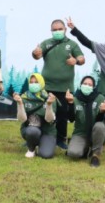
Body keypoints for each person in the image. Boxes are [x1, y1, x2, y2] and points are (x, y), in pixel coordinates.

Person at [32, 19, 85, 149]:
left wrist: (76, 61)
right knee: (43, 113)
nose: (57, 32)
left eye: (59, 29)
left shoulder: (72, 44)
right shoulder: (46, 43)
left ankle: (60, 140)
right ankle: (39, 137)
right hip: (46, 87)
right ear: (51, 31)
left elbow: (82, 59)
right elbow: (36, 55)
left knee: (62, 114)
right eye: (54, 30)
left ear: (65, 30)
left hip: (64, 88)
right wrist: (35, 53)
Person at [65, 76, 105, 167]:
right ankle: (85, 149)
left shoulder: (100, 98)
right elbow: (71, 119)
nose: (87, 86)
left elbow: (100, 120)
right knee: (73, 153)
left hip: (98, 132)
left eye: (90, 84)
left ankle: (95, 155)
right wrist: (70, 104)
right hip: (80, 133)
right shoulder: (75, 98)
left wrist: (102, 112)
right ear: (80, 85)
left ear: (93, 87)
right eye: (85, 84)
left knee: (99, 126)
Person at [14, 73, 58, 159]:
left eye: (36, 82)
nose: (33, 84)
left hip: (47, 131)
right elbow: (22, 119)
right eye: (31, 82)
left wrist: (49, 105)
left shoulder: (50, 98)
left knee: (46, 155)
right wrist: (20, 104)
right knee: (32, 131)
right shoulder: (23, 97)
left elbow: (49, 120)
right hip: (31, 129)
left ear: (41, 83)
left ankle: (43, 144)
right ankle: (31, 149)